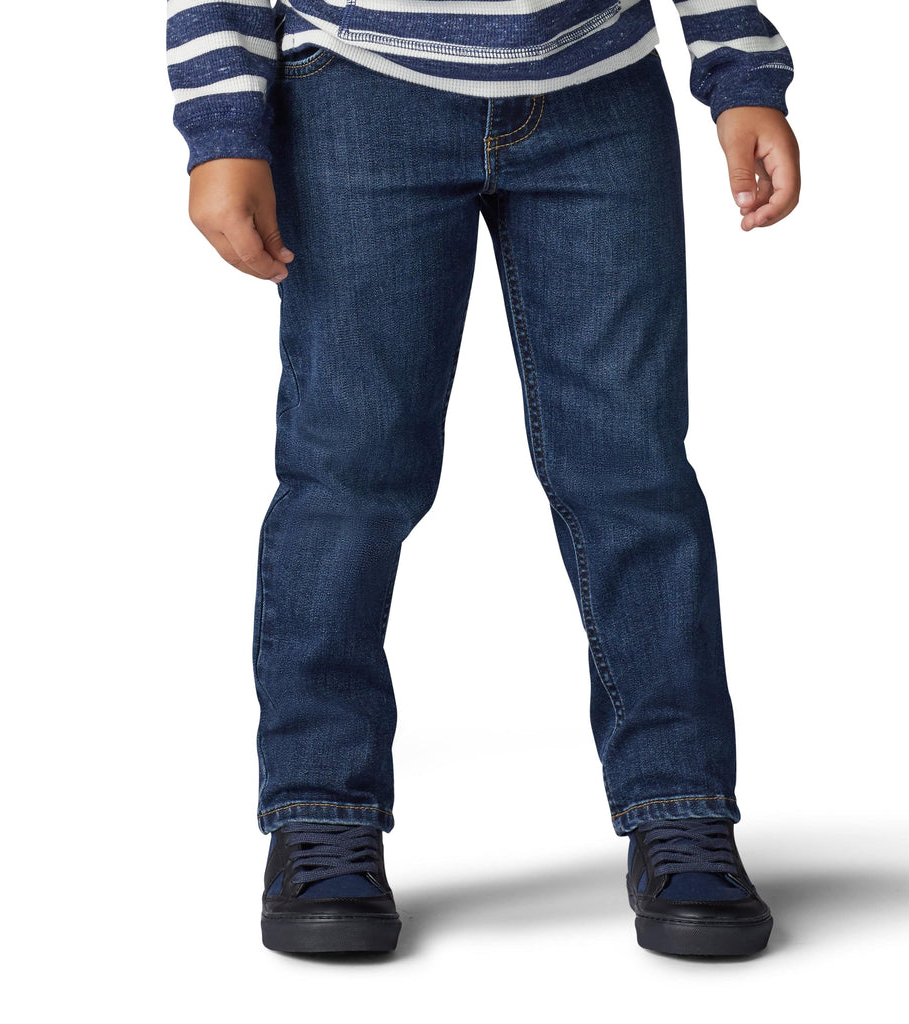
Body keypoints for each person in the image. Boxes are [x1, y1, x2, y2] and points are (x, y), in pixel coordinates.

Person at [166, 0, 801, 958]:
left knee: (633, 471)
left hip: (598, 85)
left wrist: (740, 69)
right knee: (349, 473)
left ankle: (680, 808)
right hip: (358, 89)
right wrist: (222, 125)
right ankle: (320, 814)